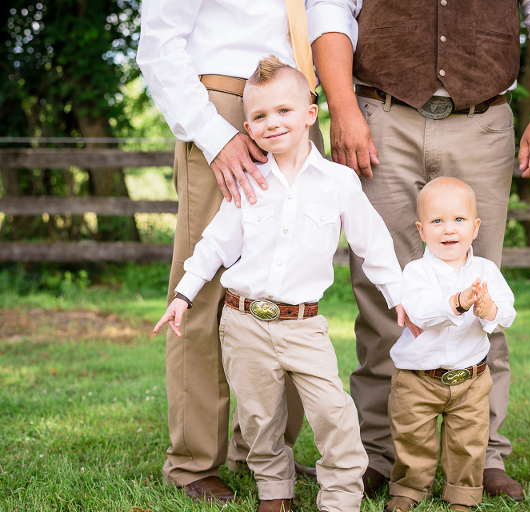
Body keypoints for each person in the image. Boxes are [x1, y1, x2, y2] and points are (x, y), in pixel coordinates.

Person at [311, 0, 530, 500]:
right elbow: (331, 8)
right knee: (382, 295)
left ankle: (483, 456)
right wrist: (342, 109)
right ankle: (381, 452)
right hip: (381, 116)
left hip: (483, 120)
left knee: (479, 286)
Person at [154, 57, 407, 512]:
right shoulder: (248, 181)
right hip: (243, 322)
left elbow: (375, 245)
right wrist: (184, 294)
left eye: (284, 111)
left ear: (311, 114)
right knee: (258, 418)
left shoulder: (339, 182)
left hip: (303, 326)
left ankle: (341, 497)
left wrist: (399, 298)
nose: (273, 123)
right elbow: (214, 244)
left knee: (334, 413)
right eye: (260, 116)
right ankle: (274, 491)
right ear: (248, 126)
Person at [136, 0, 358, 504]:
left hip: (299, 102)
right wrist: (215, 136)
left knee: (288, 287)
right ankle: (193, 461)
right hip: (227, 104)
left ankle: (263, 450)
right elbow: (159, 41)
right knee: (205, 289)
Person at [383, 178, 517, 512]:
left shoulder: (486, 270)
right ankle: (410, 489)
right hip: (418, 378)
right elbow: (421, 312)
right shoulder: (417, 272)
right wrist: (458, 302)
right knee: (413, 438)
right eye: (437, 221)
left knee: (468, 442)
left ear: (475, 227)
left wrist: (489, 310)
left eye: (458, 220)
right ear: (421, 229)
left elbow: (507, 312)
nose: (448, 230)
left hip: (470, 379)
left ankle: (462, 494)